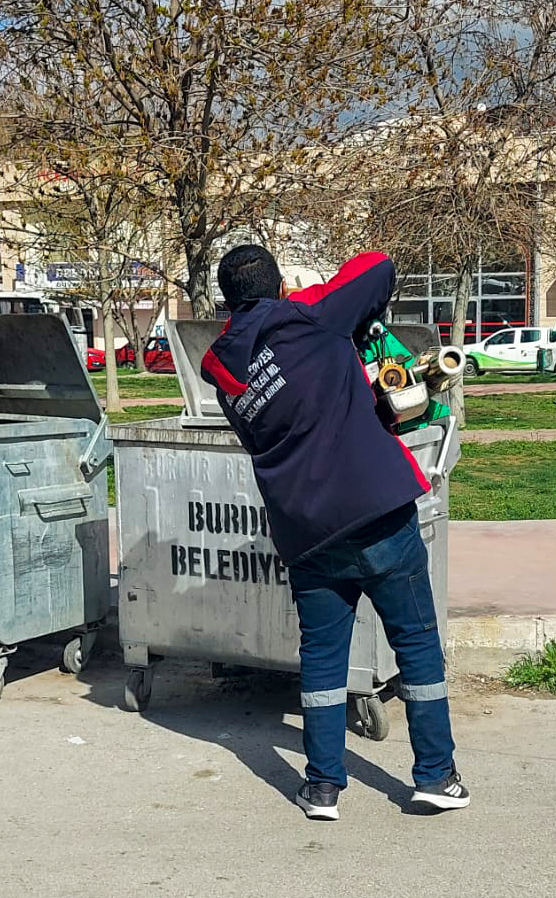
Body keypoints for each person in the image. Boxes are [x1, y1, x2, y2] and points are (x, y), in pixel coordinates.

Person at [201, 245, 468, 821]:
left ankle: (322, 788)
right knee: (416, 643)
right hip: (376, 510)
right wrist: (310, 300)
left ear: (226, 301)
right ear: (278, 285)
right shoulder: (308, 316)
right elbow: (379, 265)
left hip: (306, 531)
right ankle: (435, 777)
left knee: (323, 659)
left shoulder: (225, 375)